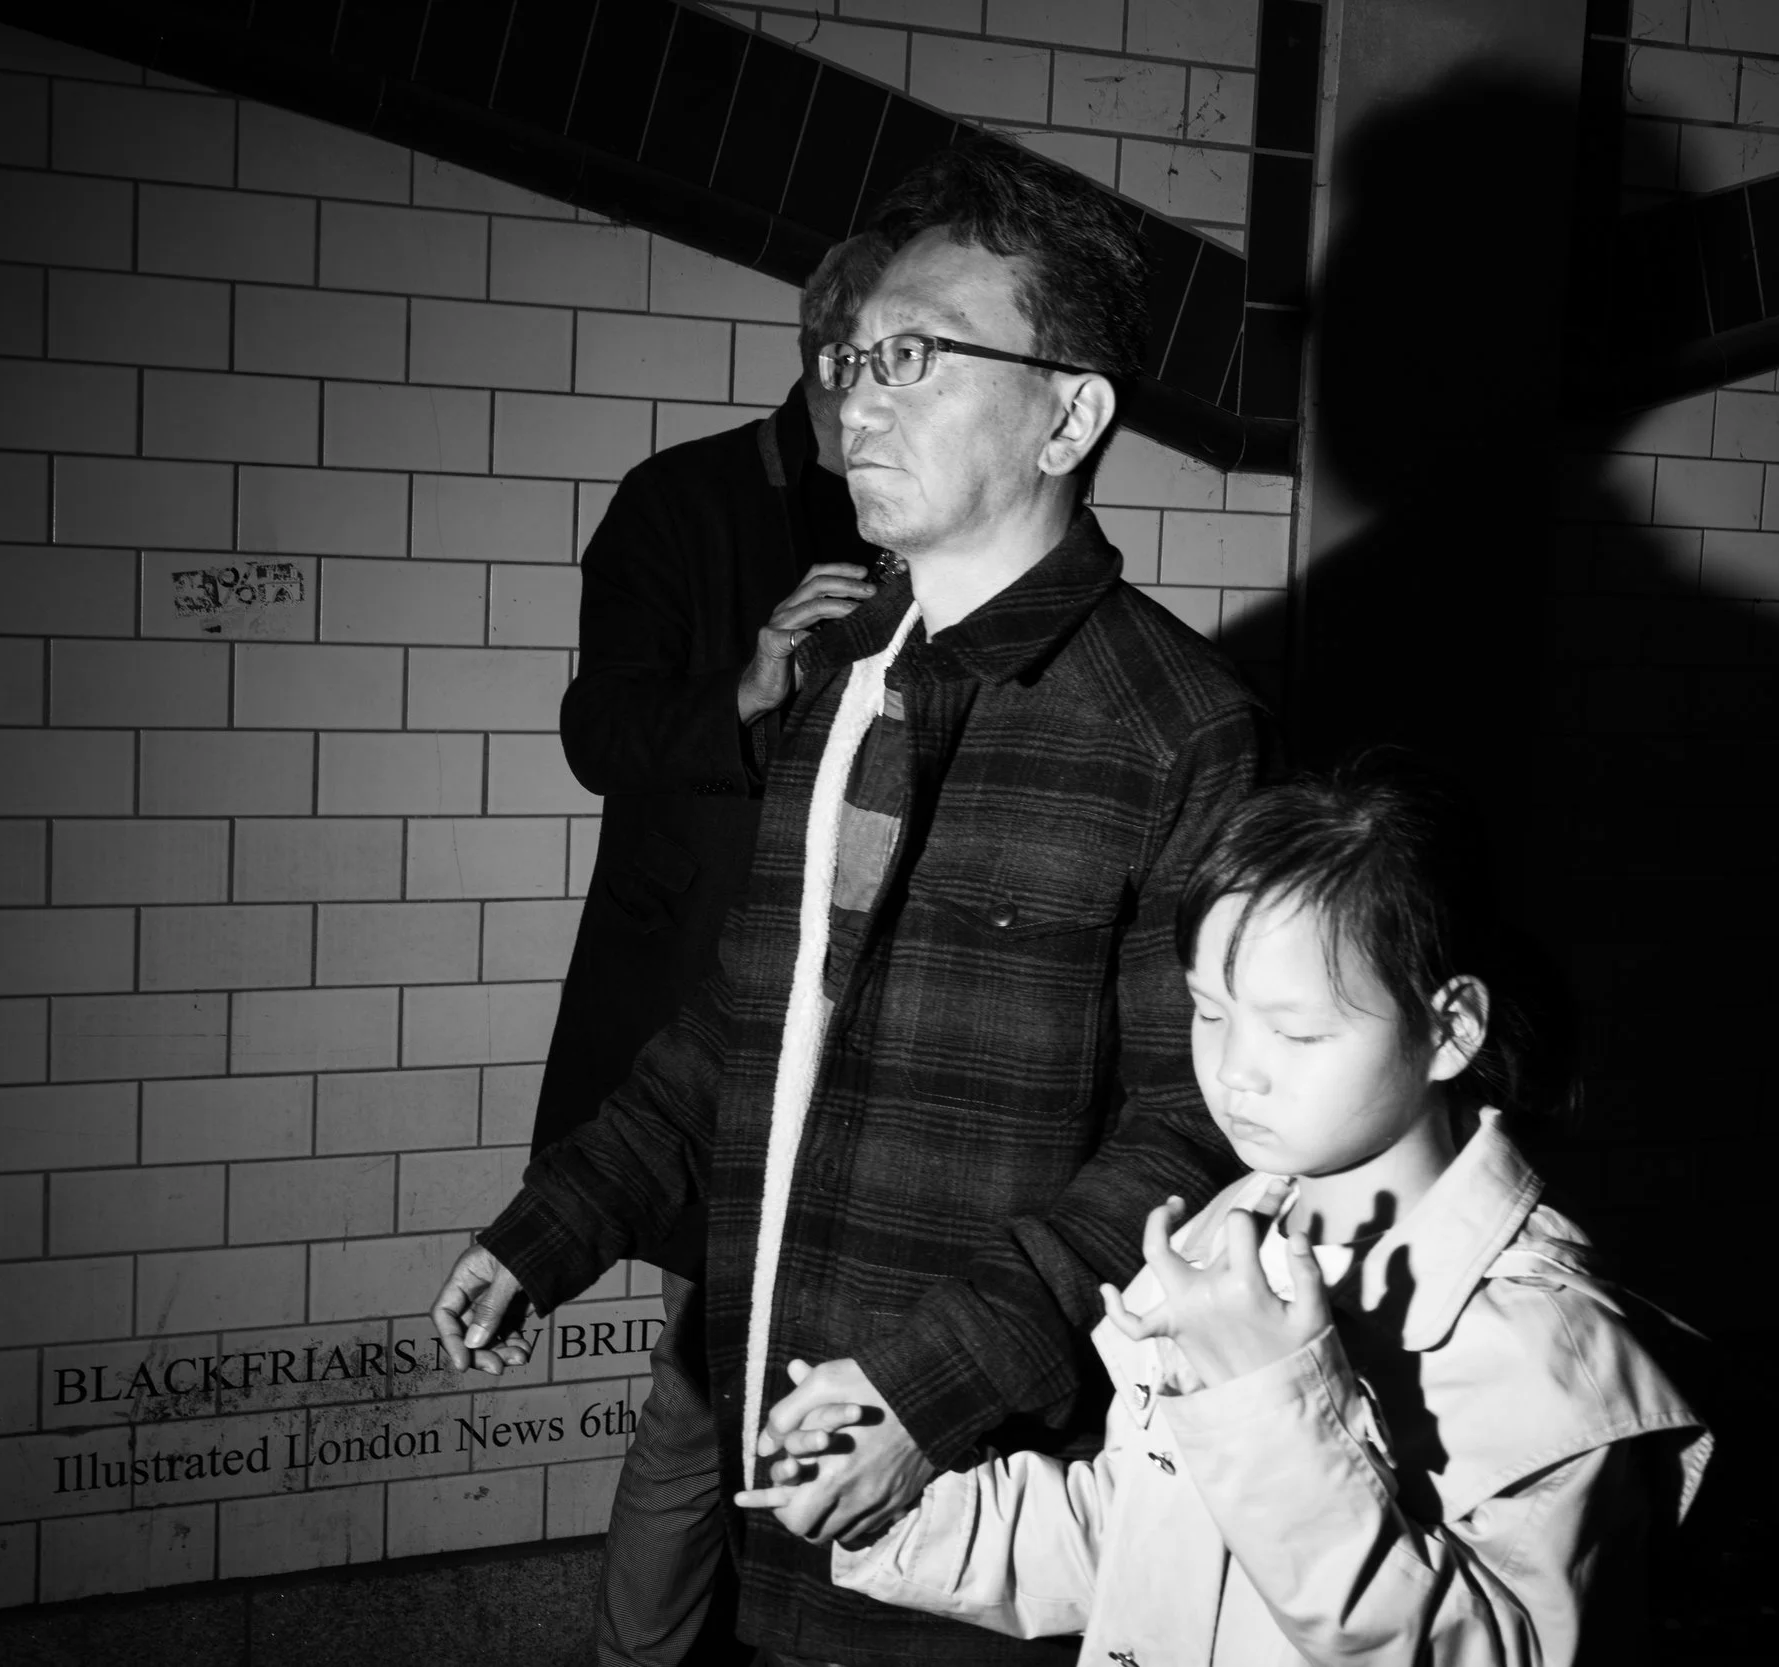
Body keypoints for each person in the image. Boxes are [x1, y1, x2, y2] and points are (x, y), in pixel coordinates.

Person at [432, 138, 1263, 1666]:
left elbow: (1196, 1126)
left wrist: (928, 1382)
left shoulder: (1176, 724)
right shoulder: (840, 692)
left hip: (982, 1473)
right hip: (775, 1437)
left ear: (1070, 412)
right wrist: (560, 1221)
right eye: (853, 352)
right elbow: (750, 1016)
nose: (858, 396)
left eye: (920, 356)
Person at [746, 759, 1713, 1665]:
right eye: (1210, 1011)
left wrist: (1269, 1397)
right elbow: (1135, 1540)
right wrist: (898, 1511)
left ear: (1449, 1027)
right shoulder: (1226, 1236)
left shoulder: (1546, 1341)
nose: (1234, 1071)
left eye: (1296, 1030)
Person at [535, 231, 894, 1667]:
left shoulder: (925, 516)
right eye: (896, 356)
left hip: (880, 1024)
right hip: (726, 1027)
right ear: (831, 358)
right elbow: (595, 731)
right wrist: (748, 681)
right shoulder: (678, 504)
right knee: (700, 1382)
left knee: (836, 1388)